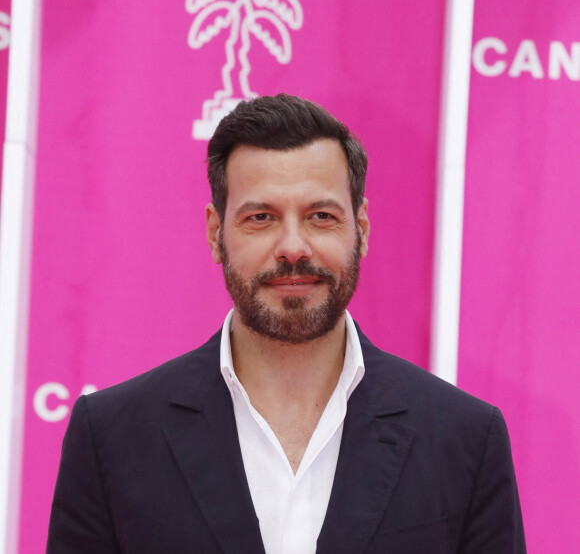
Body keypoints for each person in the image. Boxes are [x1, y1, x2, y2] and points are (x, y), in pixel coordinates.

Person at [47, 94, 526, 553]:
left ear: (360, 230)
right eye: (261, 217)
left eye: (320, 216)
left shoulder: (465, 438)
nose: (293, 247)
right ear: (217, 234)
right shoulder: (112, 436)